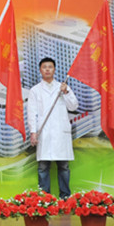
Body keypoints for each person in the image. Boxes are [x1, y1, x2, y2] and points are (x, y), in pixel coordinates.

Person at [27, 57, 79, 199]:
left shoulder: (63, 87)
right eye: (44, 67)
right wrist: (33, 132)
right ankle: (45, 200)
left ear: (54, 69)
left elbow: (73, 106)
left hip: (60, 133)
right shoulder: (35, 90)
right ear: (40, 70)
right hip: (44, 133)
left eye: (50, 67)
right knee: (43, 168)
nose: (47, 69)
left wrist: (66, 92)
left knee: (64, 167)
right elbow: (32, 113)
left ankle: (65, 197)